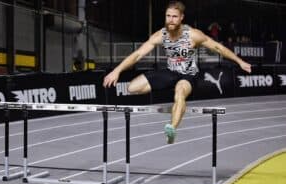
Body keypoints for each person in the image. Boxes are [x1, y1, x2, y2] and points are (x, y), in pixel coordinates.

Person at [103, 1, 251, 144]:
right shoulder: (160, 35)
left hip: (188, 75)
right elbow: (137, 55)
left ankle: (172, 129)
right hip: (170, 72)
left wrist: (240, 61)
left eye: (174, 16)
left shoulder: (193, 35)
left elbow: (219, 48)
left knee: (180, 92)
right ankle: (175, 100)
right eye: (168, 16)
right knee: (132, 88)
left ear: (181, 18)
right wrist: (117, 70)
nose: (171, 20)